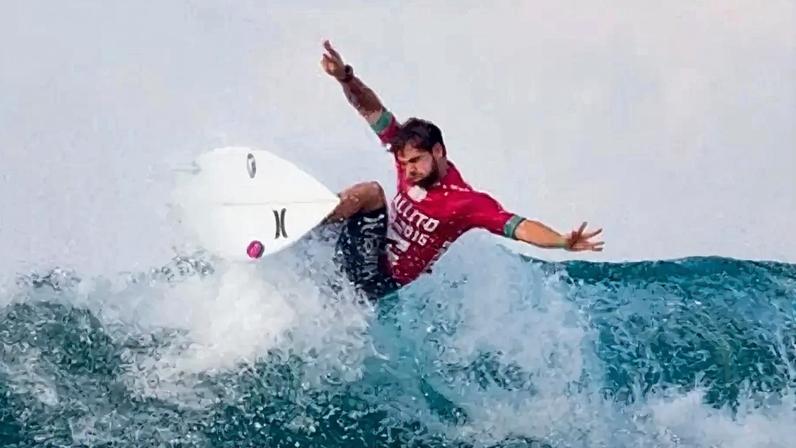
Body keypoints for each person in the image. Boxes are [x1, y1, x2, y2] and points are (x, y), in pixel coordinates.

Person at [320, 40, 604, 301]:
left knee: (370, 192)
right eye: (404, 163)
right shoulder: (406, 154)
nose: (408, 171)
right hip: (365, 247)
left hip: (379, 278)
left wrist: (561, 241)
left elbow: (519, 227)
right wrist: (345, 77)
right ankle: (305, 227)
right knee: (358, 201)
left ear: (438, 151)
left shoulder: (465, 203)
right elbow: (373, 111)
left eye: (416, 161)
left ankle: (310, 224)